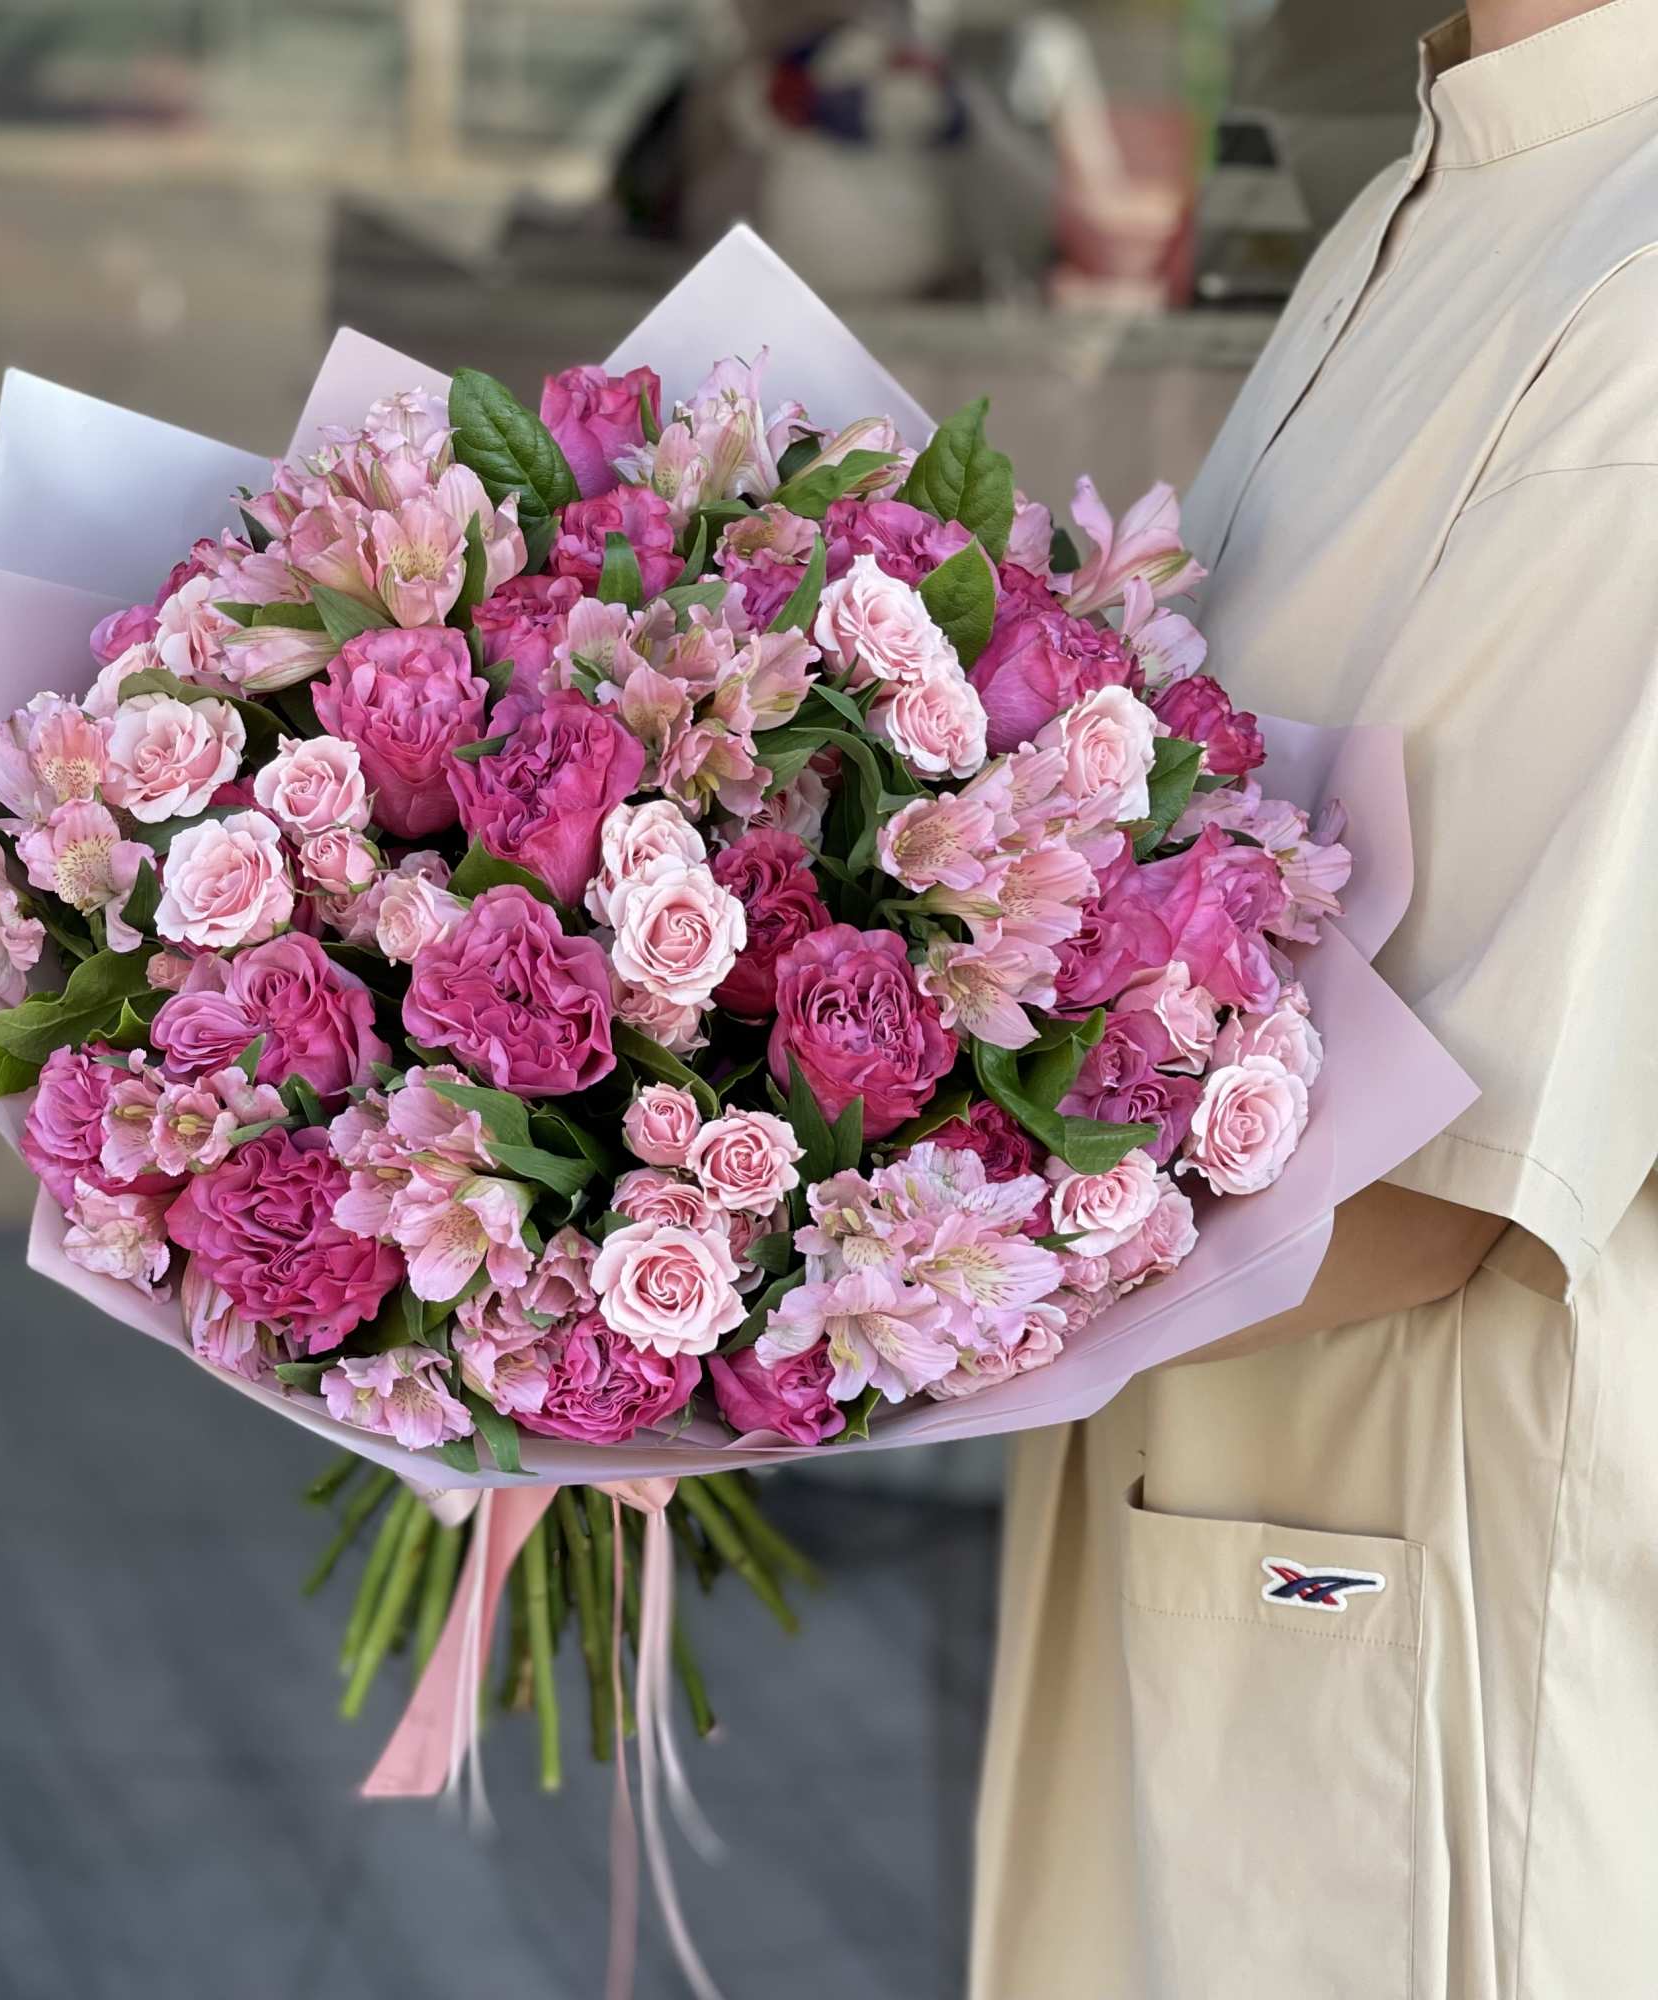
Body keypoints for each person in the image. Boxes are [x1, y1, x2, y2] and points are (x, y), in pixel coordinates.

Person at [969, 3, 1658, 1995]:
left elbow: (1434, 1163)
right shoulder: (1420, 195)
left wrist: (768, 1292)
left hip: (1411, 1570)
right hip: (1218, 1485)